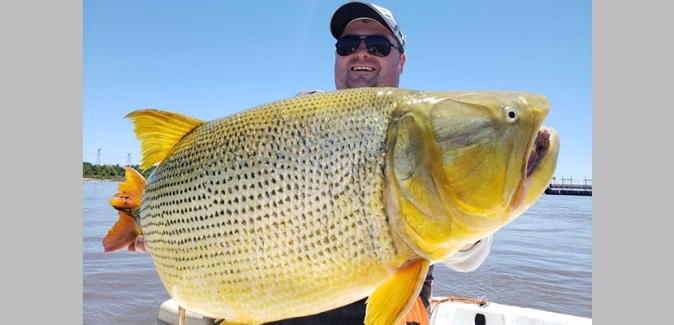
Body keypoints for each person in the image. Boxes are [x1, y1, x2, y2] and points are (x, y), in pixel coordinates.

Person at [269, 2, 494, 325]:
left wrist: (461, 219)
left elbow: (471, 256)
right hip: (298, 304)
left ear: (400, 60)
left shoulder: (427, 127)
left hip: (389, 307)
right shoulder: (297, 120)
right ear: (337, 57)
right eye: (348, 45)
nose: (361, 53)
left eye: (378, 45)